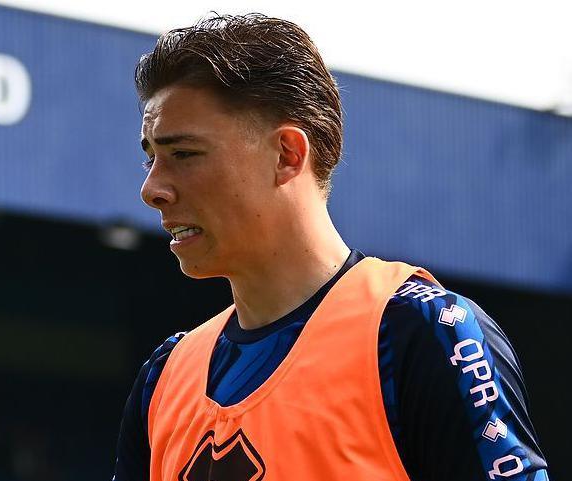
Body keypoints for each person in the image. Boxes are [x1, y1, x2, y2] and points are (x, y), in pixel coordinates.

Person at [113, 13, 550, 481]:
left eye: (183, 154)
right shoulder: (164, 377)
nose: (152, 189)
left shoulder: (424, 333)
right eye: (150, 158)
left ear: (287, 155)